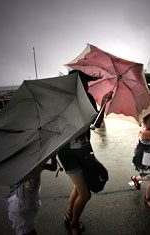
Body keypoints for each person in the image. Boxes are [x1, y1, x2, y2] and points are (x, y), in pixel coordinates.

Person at [57, 70, 112, 235]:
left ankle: (68, 215)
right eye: (82, 82)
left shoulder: (87, 97)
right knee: (85, 194)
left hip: (84, 151)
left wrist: (103, 103)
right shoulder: (63, 100)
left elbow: (97, 123)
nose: (85, 85)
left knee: (80, 186)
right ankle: (74, 224)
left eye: (86, 82)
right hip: (67, 153)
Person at [7, 155, 57, 235]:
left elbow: (53, 168)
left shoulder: (38, 165)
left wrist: (53, 158)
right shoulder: (19, 169)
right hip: (21, 206)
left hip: (31, 202)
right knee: (27, 230)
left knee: (27, 228)